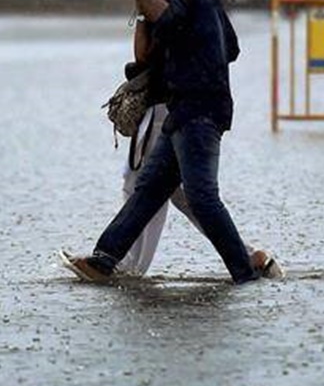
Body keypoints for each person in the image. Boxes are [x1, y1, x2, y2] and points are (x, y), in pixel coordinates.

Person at [63, 0, 268, 284]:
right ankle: (103, 260)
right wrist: (191, 43)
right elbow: (230, 48)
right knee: (148, 189)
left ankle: (245, 271)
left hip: (199, 110)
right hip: (185, 109)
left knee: (201, 197)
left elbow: (168, 18)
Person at [115, 14, 282, 278]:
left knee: (145, 184)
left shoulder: (163, 6)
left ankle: (125, 264)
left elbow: (143, 56)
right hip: (176, 107)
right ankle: (248, 256)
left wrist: (141, 15)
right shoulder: (188, 7)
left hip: (165, 108)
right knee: (174, 190)